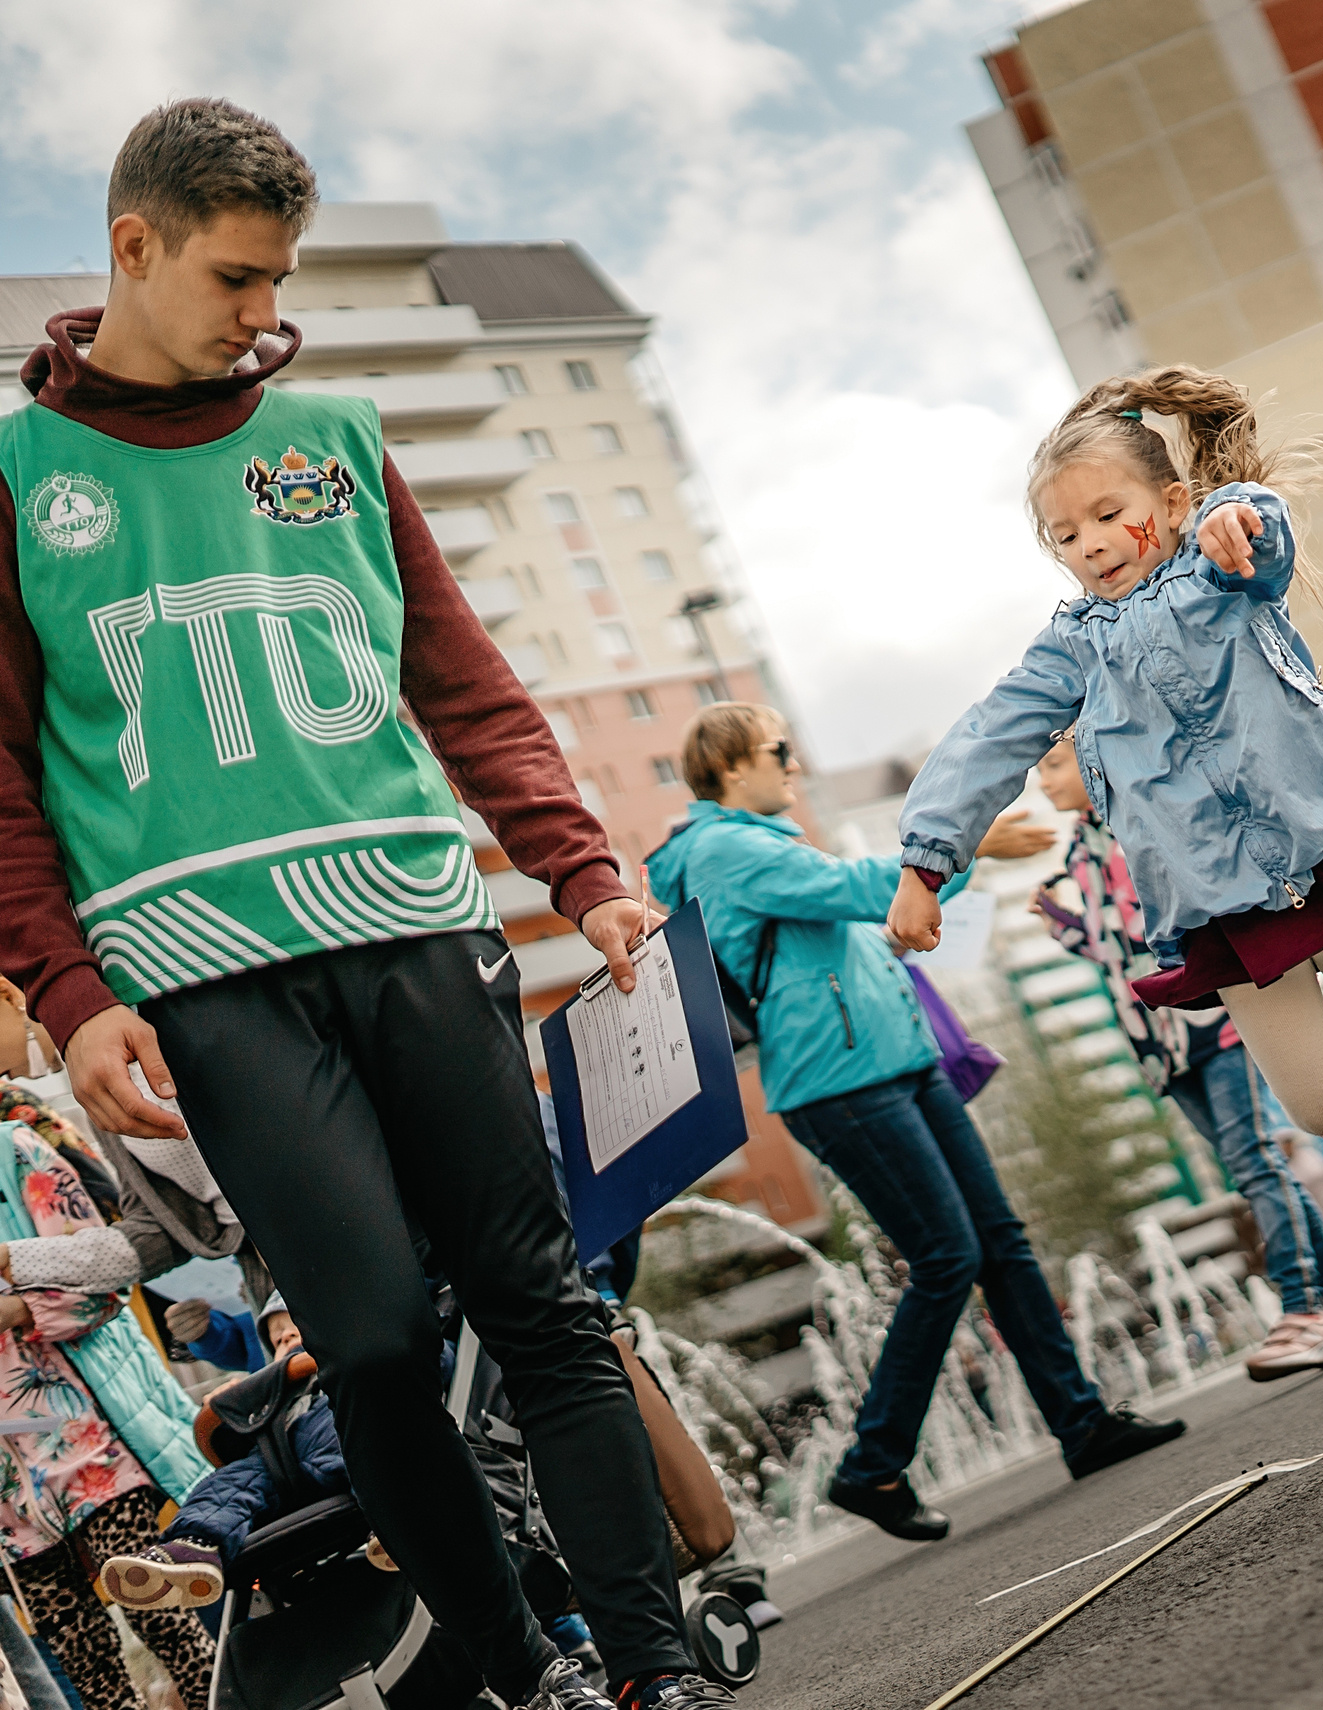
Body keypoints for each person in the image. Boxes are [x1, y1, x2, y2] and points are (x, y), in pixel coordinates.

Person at [0, 100, 718, 1710]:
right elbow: (1, 782)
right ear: (135, 246)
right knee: (375, 1342)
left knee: (541, 1302)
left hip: (418, 927)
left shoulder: (335, 436)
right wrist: (67, 990)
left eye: (282, 280)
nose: (268, 312)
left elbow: (467, 691)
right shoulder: (14, 469)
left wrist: (584, 875)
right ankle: (531, 1677)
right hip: (212, 984)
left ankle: (654, 1671)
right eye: (238, 278)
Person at [893, 366, 1323, 1197]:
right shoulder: (1072, 650)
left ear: (1167, 504)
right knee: (1312, 1105)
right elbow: (988, 735)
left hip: (1320, 851)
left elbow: (1258, 531)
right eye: (1063, 535)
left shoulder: (1219, 568)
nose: (1088, 543)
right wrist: (925, 865)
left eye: (1106, 516)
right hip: (1214, 900)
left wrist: (1236, 519)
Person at [645, 704, 1184, 1545]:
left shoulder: (764, 839)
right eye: (778, 750)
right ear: (727, 769)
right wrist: (963, 849)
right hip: (837, 1080)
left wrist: (946, 867)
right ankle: (871, 1463)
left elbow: (866, 923)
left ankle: (1082, 1423)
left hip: (895, 1060)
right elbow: (860, 892)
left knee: (997, 1240)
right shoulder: (720, 850)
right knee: (946, 1257)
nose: (794, 763)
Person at [1026, 739, 1323, 1380]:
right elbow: (1122, 950)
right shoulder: (1080, 852)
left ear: (1096, 767)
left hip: (1214, 1023)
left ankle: (1303, 1307)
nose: (1044, 785)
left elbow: (1170, 923)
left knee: (1257, 1162)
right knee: (1248, 1168)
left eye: (1054, 767)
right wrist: (1064, 924)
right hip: (1160, 1042)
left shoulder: (1139, 829)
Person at [0, 1120, 213, 1709]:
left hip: (90, 1443)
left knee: (165, 1618)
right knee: (84, 1663)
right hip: (8, 1499)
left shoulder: (14, 1152)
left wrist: (17, 1309)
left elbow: (102, 1281)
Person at [95, 1300, 336, 1617]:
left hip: (337, 1432)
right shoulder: (269, 1400)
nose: (287, 1340)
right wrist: (238, 1403)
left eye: (294, 1332)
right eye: (278, 1341)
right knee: (225, 1486)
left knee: (373, 1445)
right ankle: (193, 1546)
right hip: (277, 1461)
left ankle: (394, 1529)